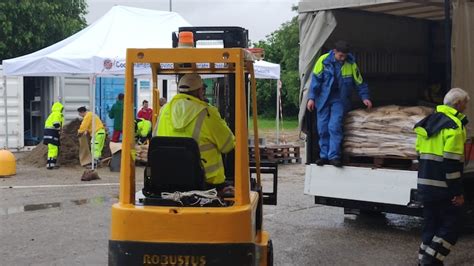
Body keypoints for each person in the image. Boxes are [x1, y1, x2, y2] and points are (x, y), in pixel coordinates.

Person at [414, 88, 469, 265]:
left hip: (425, 184)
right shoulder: (454, 126)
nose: (466, 106)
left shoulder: (427, 122)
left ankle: (423, 259)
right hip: (444, 187)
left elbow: (419, 154)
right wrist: (457, 193)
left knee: (431, 224)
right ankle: (430, 261)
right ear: (458, 104)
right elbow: (452, 162)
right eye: (465, 103)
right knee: (451, 226)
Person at [155, 73, 235, 190]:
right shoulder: (207, 113)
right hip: (206, 184)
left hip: (166, 180)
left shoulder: (164, 110)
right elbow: (228, 146)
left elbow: (155, 139)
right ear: (200, 91)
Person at [306, 40, 372, 167]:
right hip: (323, 99)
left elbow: (359, 81)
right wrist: (311, 98)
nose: (342, 59)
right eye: (340, 56)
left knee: (334, 126)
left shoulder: (351, 64)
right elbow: (315, 81)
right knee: (323, 128)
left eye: (345, 56)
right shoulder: (323, 60)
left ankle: (334, 156)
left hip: (340, 99)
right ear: (334, 52)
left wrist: (365, 97)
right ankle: (323, 156)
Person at [43, 102, 64, 169]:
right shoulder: (56, 114)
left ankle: (50, 163)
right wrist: (59, 130)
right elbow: (56, 123)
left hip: (48, 133)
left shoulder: (52, 114)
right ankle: (51, 164)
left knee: (51, 148)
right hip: (52, 133)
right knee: (53, 149)